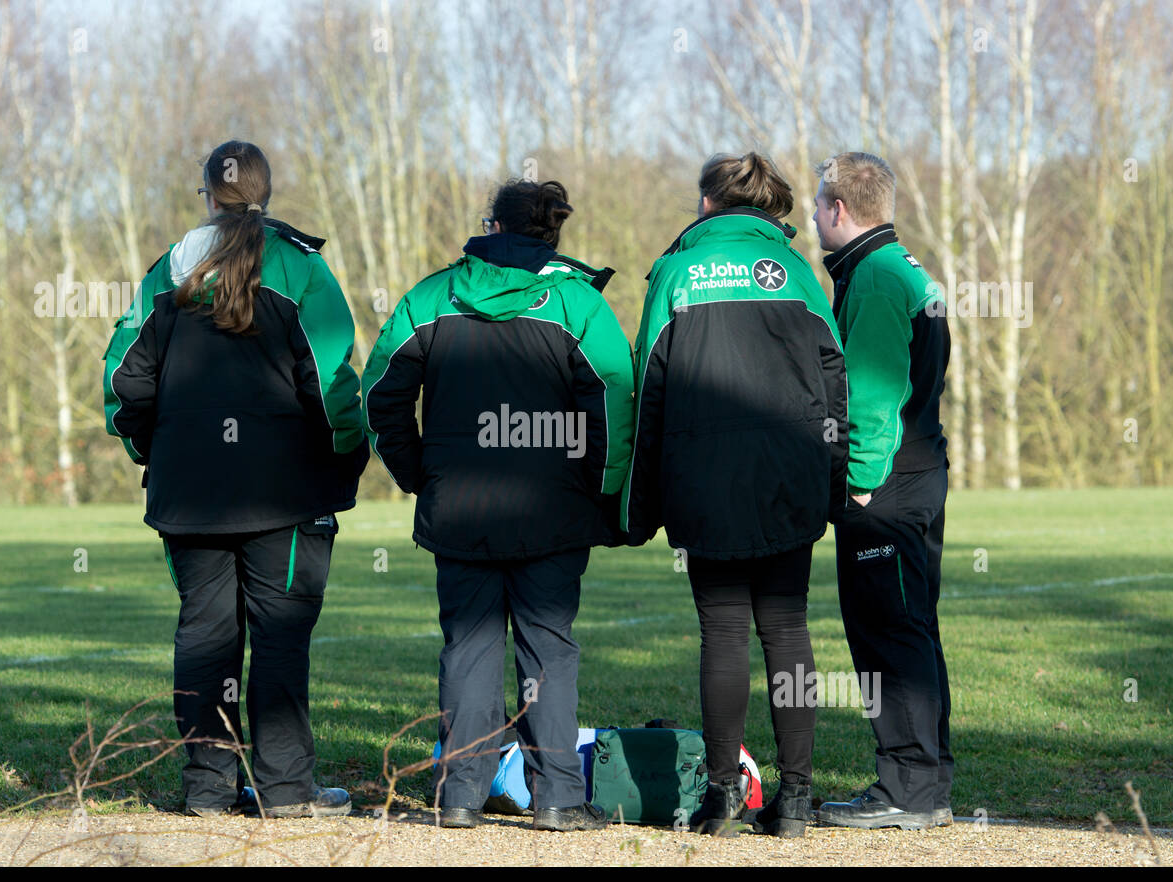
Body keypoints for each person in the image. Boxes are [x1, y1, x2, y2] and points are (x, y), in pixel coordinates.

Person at [102, 140, 369, 818]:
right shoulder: (303, 269)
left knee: (204, 634)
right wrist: (349, 454)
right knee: (279, 637)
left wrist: (150, 447)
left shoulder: (168, 268)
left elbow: (122, 380)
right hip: (285, 493)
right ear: (265, 193)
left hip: (187, 493)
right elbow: (334, 384)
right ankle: (285, 791)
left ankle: (208, 790)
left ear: (207, 194)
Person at [362, 179, 633, 831]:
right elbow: (616, 405)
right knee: (549, 651)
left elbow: (378, 396)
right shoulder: (577, 304)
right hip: (555, 507)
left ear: (489, 223)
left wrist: (417, 472)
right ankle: (560, 801)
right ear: (553, 235)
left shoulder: (430, 297)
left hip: (457, 507)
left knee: (469, 649)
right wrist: (601, 487)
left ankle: (459, 796)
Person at [622, 153, 848, 838]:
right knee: (788, 631)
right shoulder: (798, 275)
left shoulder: (675, 273)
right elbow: (834, 376)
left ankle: (721, 797)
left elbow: (646, 389)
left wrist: (641, 500)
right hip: (791, 475)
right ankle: (799, 800)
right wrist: (832, 474)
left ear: (709, 204)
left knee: (721, 632)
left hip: (703, 476)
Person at [810, 151, 952, 830]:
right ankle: (928, 784)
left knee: (887, 633)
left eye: (817, 205)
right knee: (914, 628)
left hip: (886, 482)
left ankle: (907, 789)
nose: (812, 217)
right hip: (921, 469)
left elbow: (874, 389)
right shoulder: (905, 266)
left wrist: (860, 483)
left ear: (839, 210)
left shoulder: (871, 276)